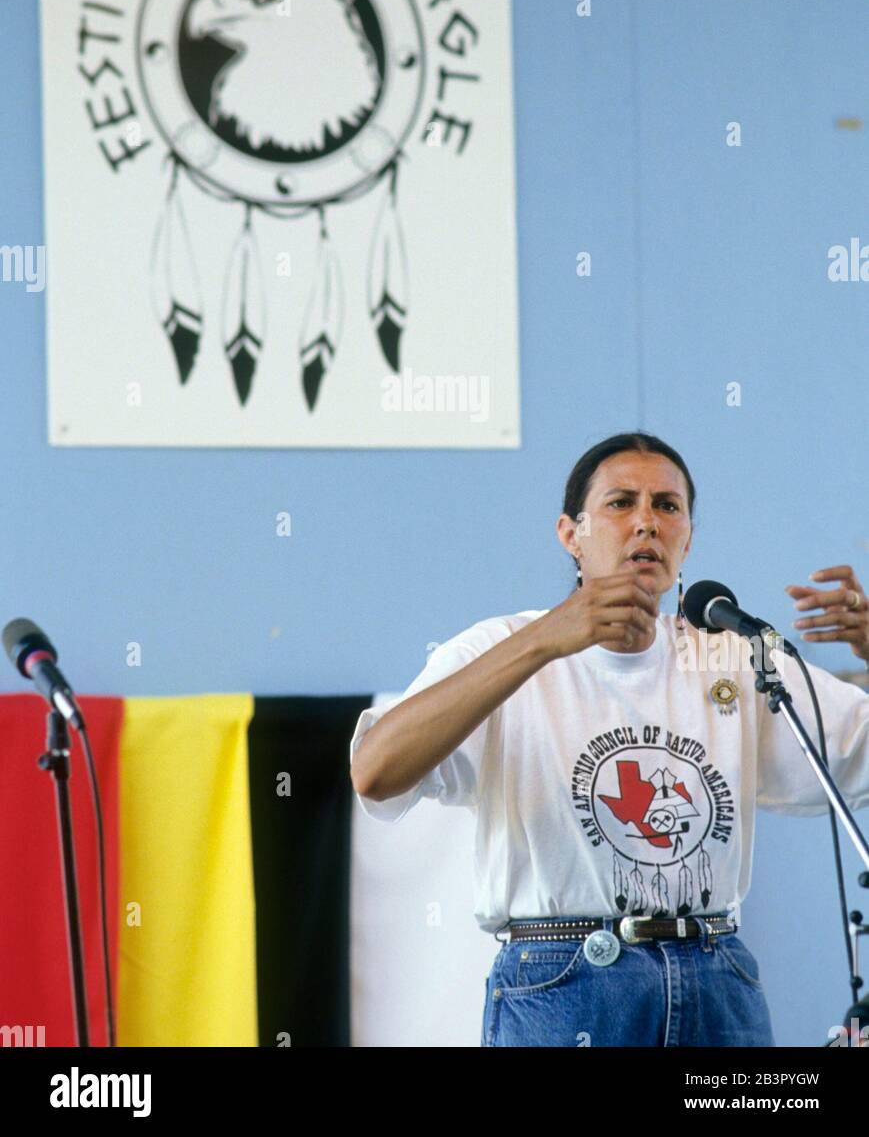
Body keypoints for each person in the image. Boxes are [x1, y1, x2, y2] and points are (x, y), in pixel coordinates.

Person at [349, 432, 869, 1047]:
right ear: (571, 534)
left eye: (668, 506)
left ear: (688, 539)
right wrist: (544, 639)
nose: (647, 522)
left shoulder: (737, 657)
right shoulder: (501, 646)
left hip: (717, 975)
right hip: (566, 979)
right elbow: (375, 769)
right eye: (622, 502)